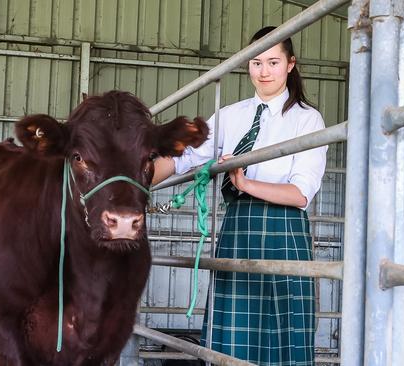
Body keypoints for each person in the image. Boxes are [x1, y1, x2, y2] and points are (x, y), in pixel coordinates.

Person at [154, 26, 326, 365]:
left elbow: (300, 194)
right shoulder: (231, 115)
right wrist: (132, 179)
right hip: (238, 230)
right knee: (232, 337)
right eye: (256, 62)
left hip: (284, 235)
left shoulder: (307, 120)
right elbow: (182, 158)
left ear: (290, 65)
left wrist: (244, 182)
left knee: (281, 334)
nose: (263, 72)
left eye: (273, 62)